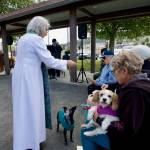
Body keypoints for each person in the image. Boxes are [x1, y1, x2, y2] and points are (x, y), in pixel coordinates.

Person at [12, 16, 76, 150]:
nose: (47, 32)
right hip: (30, 78)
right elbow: (49, 61)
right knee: (33, 108)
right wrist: (67, 63)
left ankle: (25, 140)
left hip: (20, 78)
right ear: (40, 28)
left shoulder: (23, 38)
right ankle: (32, 141)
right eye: (46, 29)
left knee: (23, 109)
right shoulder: (36, 39)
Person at [81, 51, 150, 150]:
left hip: (129, 142)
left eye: (114, 71)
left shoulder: (135, 93)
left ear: (124, 71)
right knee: (90, 113)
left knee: (85, 132)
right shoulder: (139, 81)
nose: (114, 75)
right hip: (125, 133)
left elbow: (127, 130)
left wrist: (99, 120)